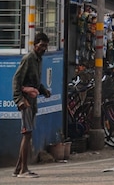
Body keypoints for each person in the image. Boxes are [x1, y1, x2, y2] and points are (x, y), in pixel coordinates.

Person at [12, 32, 51, 179]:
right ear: (35, 45)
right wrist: (19, 100)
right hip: (26, 101)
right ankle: (24, 170)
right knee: (27, 134)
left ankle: (18, 168)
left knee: (29, 134)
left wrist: (43, 90)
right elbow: (17, 79)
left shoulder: (39, 60)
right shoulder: (28, 59)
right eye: (41, 46)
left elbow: (34, 80)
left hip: (33, 101)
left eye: (45, 46)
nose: (44, 49)